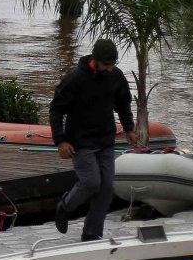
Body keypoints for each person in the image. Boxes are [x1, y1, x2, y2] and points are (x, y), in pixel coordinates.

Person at [49, 38, 134, 240]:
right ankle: (65, 206)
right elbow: (56, 109)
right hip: (80, 142)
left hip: (105, 140)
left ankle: (91, 234)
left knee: (106, 189)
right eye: (106, 64)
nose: (110, 68)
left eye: (113, 64)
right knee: (91, 182)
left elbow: (123, 103)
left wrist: (129, 128)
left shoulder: (116, 76)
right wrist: (60, 141)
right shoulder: (75, 79)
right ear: (95, 61)